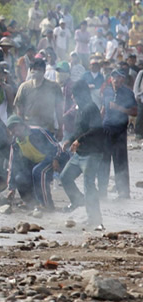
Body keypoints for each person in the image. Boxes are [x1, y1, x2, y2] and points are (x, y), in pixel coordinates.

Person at [59, 80, 104, 227]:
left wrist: (80, 141)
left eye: (74, 94)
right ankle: (77, 200)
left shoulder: (91, 108)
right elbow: (79, 130)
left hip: (92, 153)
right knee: (65, 177)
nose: (72, 97)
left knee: (89, 185)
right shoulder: (81, 108)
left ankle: (95, 219)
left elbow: (96, 129)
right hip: (79, 153)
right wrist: (70, 140)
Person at [4, 116, 65, 213]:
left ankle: (46, 205)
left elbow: (57, 146)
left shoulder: (38, 132)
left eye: (16, 126)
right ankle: (30, 202)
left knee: (38, 171)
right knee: (20, 177)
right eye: (11, 128)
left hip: (53, 159)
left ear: (22, 125)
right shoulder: (15, 143)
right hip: (36, 163)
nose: (15, 130)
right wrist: (11, 188)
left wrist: (56, 159)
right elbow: (12, 165)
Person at [99, 70, 136, 199]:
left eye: (119, 77)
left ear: (123, 79)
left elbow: (135, 112)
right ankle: (102, 192)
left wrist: (119, 108)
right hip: (106, 130)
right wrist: (98, 124)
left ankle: (123, 192)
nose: (116, 79)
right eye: (114, 76)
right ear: (111, 78)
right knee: (104, 162)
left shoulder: (128, 93)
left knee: (120, 162)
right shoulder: (107, 91)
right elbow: (103, 109)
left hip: (120, 131)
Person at [14, 58, 63, 137]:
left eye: (39, 69)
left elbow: (59, 109)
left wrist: (60, 129)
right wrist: (21, 128)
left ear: (44, 71)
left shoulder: (54, 87)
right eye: (34, 69)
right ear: (30, 71)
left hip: (48, 129)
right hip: (29, 129)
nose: (36, 72)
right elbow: (19, 109)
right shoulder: (24, 87)